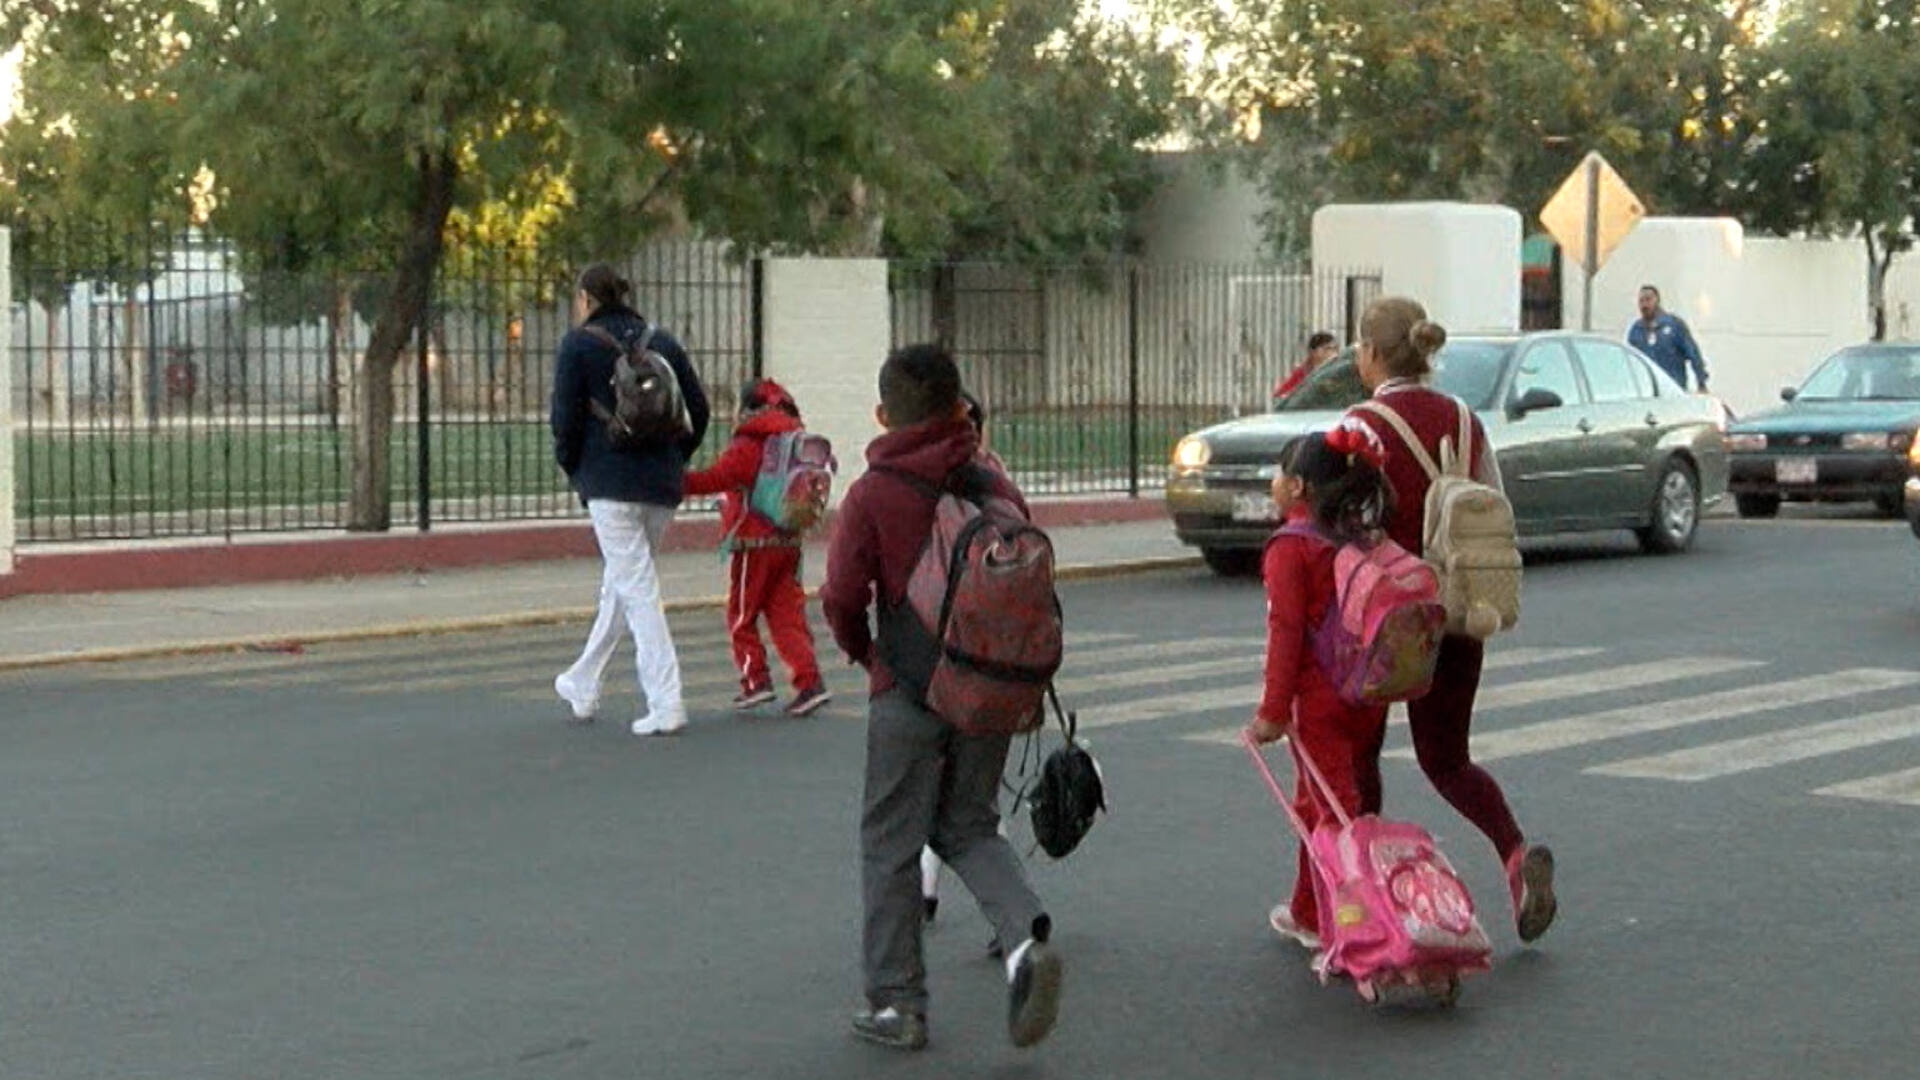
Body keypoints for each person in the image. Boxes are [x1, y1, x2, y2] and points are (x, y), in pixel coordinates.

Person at [821, 345, 1063, 1053]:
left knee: (891, 843)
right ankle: (1025, 938)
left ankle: (897, 1004)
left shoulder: (873, 491)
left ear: (881, 414)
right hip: (988, 687)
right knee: (968, 825)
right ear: (961, 408)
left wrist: (867, 654)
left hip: (908, 685)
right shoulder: (994, 482)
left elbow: (840, 595)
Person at [1342, 296, 1558, 944]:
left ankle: (1368, 890)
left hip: (1390, 618)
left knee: (1360, 752)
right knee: (1448, 760)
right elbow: (1493, 504)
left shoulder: (1361, 424)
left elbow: (1350, 528)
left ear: (1374, 354)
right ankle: (1515, 855)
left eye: (1360, 347)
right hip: (1460, 612)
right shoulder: (1466, 420)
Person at [1245, 426, 1396, 950]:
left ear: (1300, 488)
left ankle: (1356, 921)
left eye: (1281, 473)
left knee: (1333, 812)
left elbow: (1285, 632)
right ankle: (1309, 911)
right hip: (1367, 690)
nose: (1274, 482)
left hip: (1320, 699)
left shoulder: (1291, 548)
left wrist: (1270, 711)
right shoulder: (1357, 535)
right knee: (1319, 804)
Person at [550, 263, 711, 737]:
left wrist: (577, 468)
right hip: (660, 484)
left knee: (637, 589)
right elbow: (696, 410)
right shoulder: (662, 341)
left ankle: (667, 701)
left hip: (608, 482)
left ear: (585, 298)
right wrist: (672, 457)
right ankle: (583, 680)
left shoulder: (578, 344)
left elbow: (564, 419)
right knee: (622, 584)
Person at [681, 377, 831, 717]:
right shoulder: (794, 436)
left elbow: (720, 477)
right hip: (789, 538)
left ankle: (755, 681)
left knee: (741, 614)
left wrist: (677, 483)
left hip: (754, 541)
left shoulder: (752, 439)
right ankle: (809, 683)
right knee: (786, 615)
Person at [919, 389, 1007, 941]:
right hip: (996, 659)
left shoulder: (917, 482)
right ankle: (1009, 919)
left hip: (939, 657)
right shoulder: (999, 481)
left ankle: (923, 893)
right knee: (976, 799)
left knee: (930, 784)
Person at [1627, 285, 1709, 391]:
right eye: (1641, 301)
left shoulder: (1674, 325)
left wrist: (1701, 382)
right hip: (1647, 390)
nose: (1645, 305)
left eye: (1648, 300)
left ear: (1657, 301)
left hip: (1673, 389)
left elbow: (1693, 354)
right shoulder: (1636, 330)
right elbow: (1630, 360)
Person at [1272, 331, 1340, 402]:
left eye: (1335, 348)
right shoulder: (1302, 372)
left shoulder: (1337, 370)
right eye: (1328, 348)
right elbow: (1279, 395)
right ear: (1314, 351)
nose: (1334, 353)